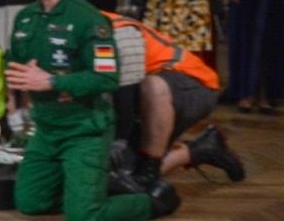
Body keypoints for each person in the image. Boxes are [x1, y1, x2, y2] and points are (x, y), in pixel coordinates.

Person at [7, 0, 178, 221]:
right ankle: (85, 188)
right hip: (46, 129)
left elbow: (107, 78)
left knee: (84, 219)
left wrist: (51, 81)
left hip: (84, 130)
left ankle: (153, 202)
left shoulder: (89, 20)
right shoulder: (25, 19)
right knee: (29, 203)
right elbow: (19, 69)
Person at [103, 12, 243, 189]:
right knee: (102, 177)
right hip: (144, 98)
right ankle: (201, 149)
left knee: (122, 178)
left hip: (191, 83)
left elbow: (125, 112)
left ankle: (148, 171)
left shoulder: (118, 33)